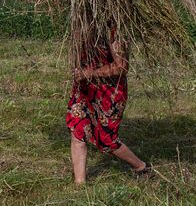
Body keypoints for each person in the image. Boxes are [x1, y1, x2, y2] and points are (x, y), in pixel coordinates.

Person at [65, 27, 151, 185]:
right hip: (84, 88)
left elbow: (122, 66)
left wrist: (90, 73)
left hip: (108, 92)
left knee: (106, 139)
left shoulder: (114, 29)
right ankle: (79, 185)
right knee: (77, 130)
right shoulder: (82, 21)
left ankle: (141, 167)